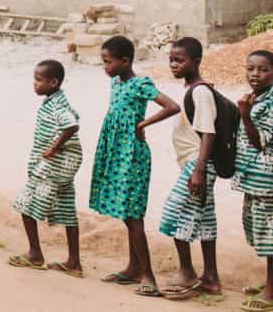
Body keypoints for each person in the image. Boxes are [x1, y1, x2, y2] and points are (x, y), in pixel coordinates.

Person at [90, 35, 180, 298]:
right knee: (125, 213)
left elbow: (172, 106)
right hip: (117, 152)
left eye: (108, 62)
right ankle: (132, 268)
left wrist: (143, 124)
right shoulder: (116, 83)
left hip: (132, 155)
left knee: (133, 215)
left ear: (125, 61)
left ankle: (148, 276)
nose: (104, 67)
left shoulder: (141, 84)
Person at [158, 37, 221, 300]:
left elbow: (209, 134)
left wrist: (199, 170)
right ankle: (211, 278)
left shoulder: (200, 92)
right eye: (171, 59)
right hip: (196, 164)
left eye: (180, 60)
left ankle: (187, 271)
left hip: (199, 164)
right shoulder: (191, 88)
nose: (174, 64)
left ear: (196, 62)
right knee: (205, 219)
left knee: (172, 214)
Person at [9, 59, 82, 276]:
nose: (34, 84)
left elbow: (71, 124)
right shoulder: (56, 100)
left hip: (54, 165)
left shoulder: (57, 105)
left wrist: (53, 148)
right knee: (67, 208)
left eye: (38, 80)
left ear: (53, 82)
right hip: (65, 165)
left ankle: (35, 254)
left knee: (25, 203)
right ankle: (74, 263)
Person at [236, 50, 273, 310]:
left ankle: (271, 293)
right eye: (250, 68)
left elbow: (260, 141)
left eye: (262, 70)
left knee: (270, 235)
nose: (255, 74)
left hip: (268, 180)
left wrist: (245, 115)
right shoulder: (259, 97)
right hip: (255, 179)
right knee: (259, 231)